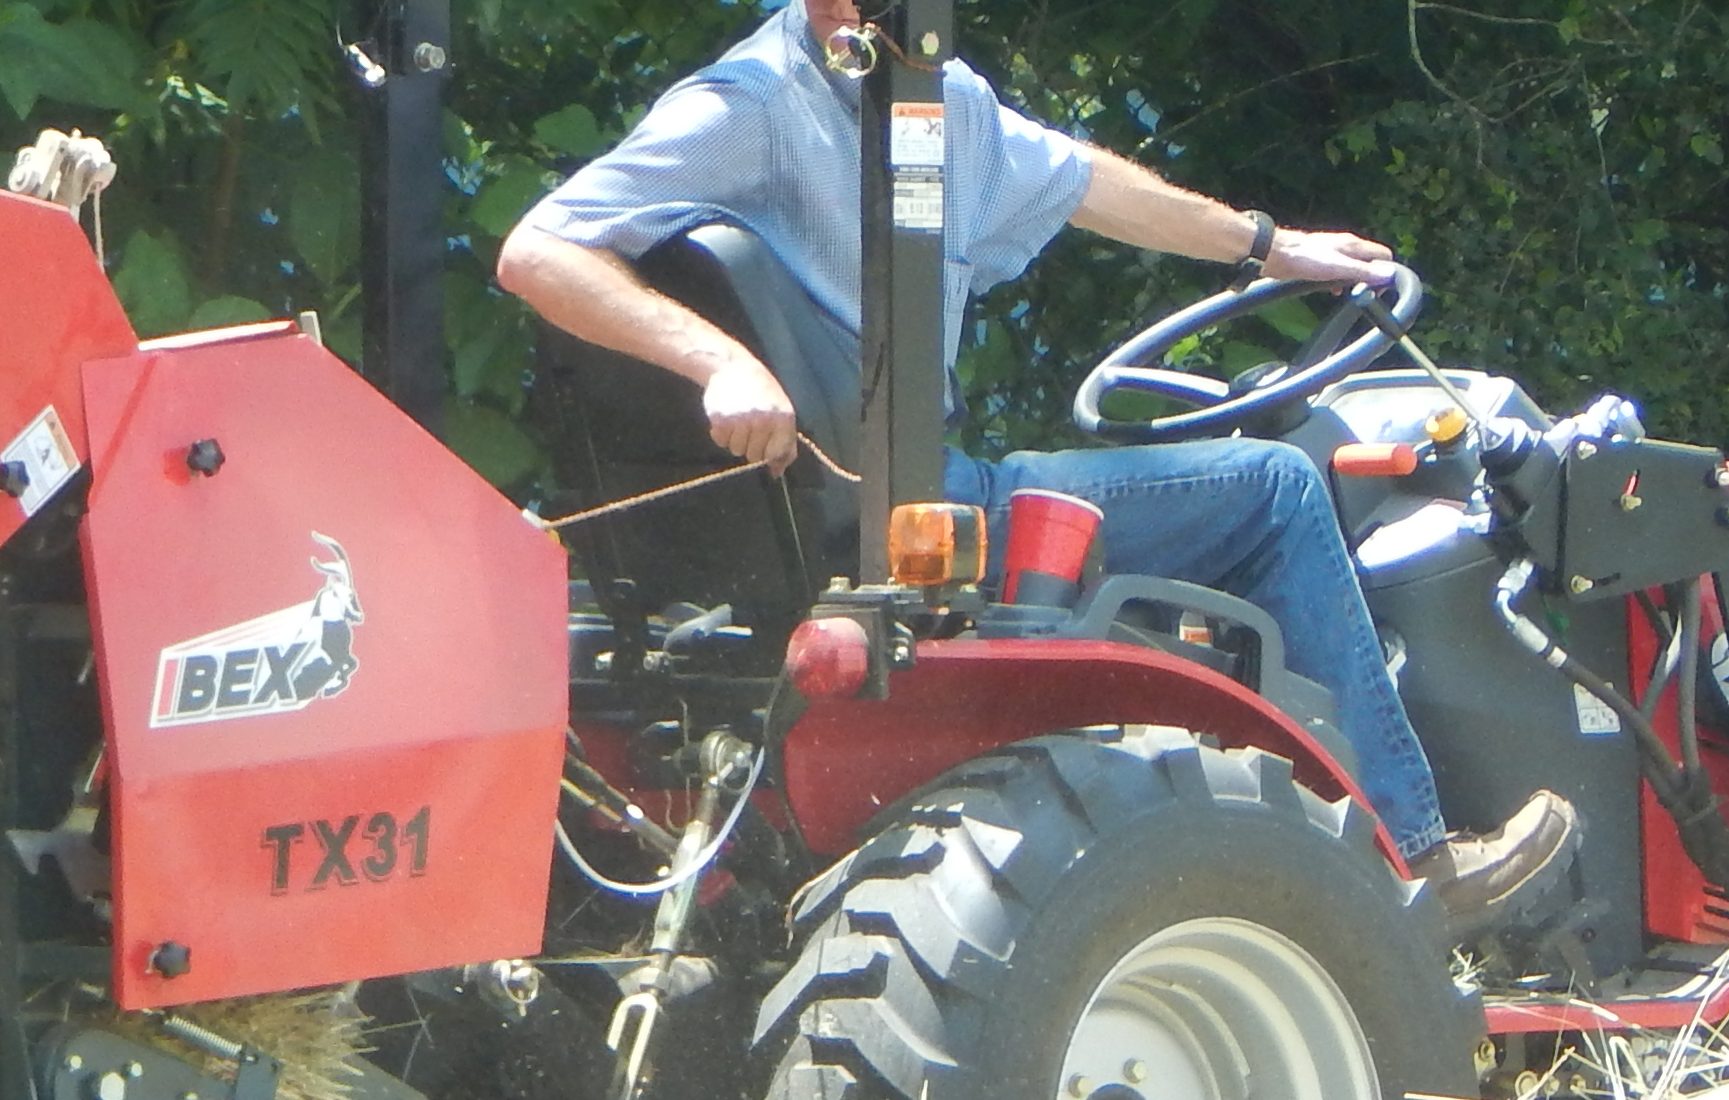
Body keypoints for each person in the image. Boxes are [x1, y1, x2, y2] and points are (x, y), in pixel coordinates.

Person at [494, 0, 1573, 930]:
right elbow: (538, 250)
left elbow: (1088, 182)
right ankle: (1417, 860)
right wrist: (717, 359)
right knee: (1280, 489)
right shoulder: (755, 102)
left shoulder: (934, 98)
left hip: (864, 500)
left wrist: (1273, 248)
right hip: (904, 509)